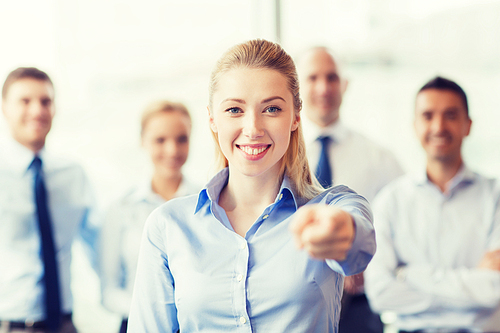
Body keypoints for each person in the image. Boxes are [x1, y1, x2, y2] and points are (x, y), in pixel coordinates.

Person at [127, 39, 376, 332]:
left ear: (296, 117)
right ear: (212, 119)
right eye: (234, 110)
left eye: (271, 109)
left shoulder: (334, 207)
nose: (253, 129)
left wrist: (342, 233)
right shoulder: (168, 226)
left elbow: (359, 246)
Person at [364, 76, 500, 332]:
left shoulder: (496, 197)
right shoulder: (390, 201)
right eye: (428, 116)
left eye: (450, 115)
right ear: (415, 125)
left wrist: (409, 274)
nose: (438, 126)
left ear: (467, 125)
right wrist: (470, 293)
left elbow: (494, 290)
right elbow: (380, 293)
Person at [297, 46, 403, 333]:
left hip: (359, 308)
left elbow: (401, 229)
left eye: (332, 77)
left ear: (345, 84)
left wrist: (370, 264)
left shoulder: (380, 159)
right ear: (296, 86)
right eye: (313, 77)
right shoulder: (277, 156)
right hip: (295, 306)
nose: (323, 87)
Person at [0, 67, 98, 333]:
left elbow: (99, 247)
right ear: (4, 107)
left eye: (45, 101)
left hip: (65, 324)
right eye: (25, 101)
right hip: (11, 325)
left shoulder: (73, 175)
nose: (37, 110)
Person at [98, 100, 199, 333]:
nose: (172, 150)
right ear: (143, 141)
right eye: (160, 140)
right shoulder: (121, 208)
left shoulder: (207, 204)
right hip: (136, 324)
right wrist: (152, 312)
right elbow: (108, 290)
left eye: (181, 139)